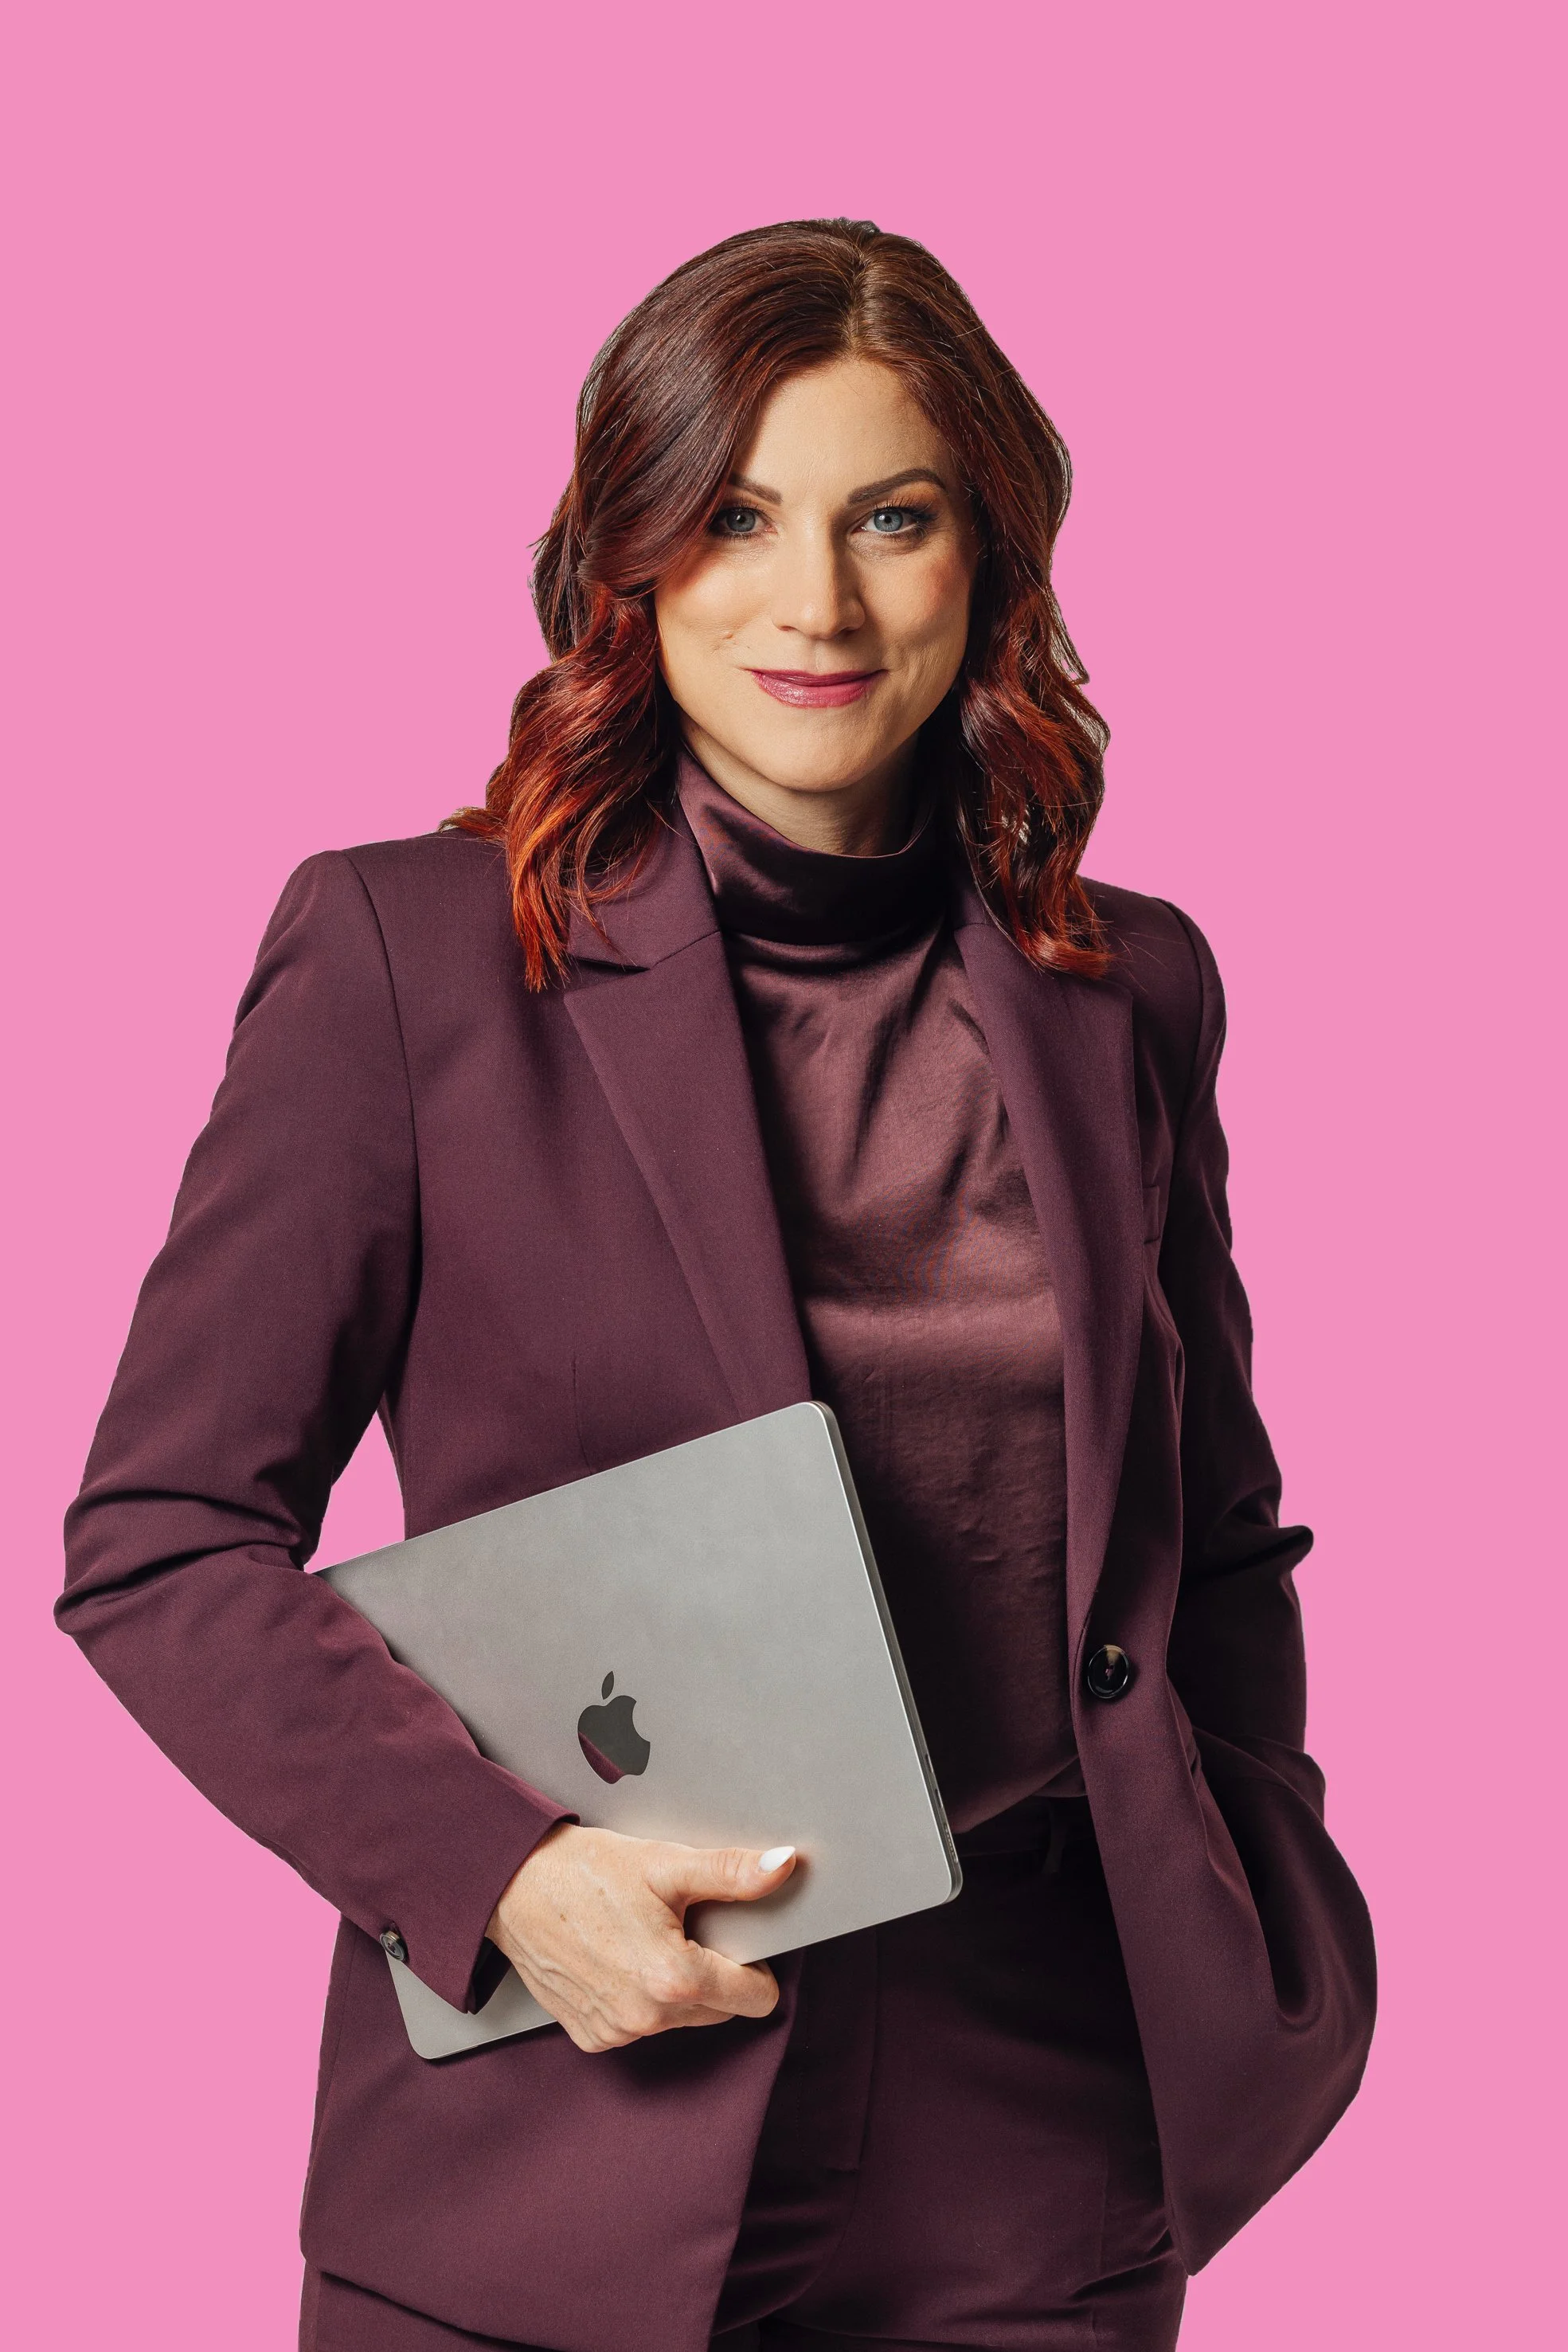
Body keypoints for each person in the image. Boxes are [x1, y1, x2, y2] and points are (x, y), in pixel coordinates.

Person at [59, 219, 1375, 2352]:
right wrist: (494, 1877)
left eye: (896, 519)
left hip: (1041, 2149)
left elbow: (1212, 1532)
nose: (819, 603)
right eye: (740, 516)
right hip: (566, 2129)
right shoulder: (409, 965)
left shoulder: (1129, 990)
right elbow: (161, 1537)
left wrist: (1275, 1906)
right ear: (634, 554)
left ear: (993, 559)